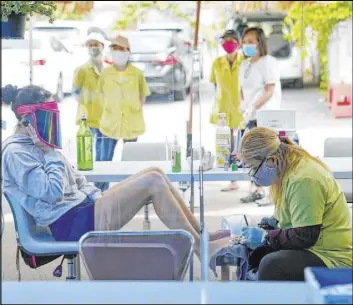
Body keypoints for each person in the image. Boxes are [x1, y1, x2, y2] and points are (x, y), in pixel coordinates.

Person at [1, 84, 225, 260]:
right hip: (69, 223)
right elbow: (51, 193)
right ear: (27, 119)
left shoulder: (38, 142)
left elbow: (78, 180)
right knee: (153, 181)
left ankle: (201, 237)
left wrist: (101, 198)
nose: (52, 121)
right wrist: (50, 154)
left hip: (84, 209)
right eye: (47, 115)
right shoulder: (18, 152)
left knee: (155, 172)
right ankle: (202, 251)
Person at [238, 127, 352, 281]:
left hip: (331, 256)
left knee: (271, 265)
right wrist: (273, 225)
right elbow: (290, 217)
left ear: (271, 160)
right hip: (311, 247)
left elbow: (305, 236)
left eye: (253, 167)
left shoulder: (303, 179)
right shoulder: (285, 169)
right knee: (252, 254)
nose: (253, 175)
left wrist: (266, 237)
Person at [97, 34, 151, 192]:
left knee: (131, 163)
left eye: (121, 49)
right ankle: (100, 195)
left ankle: (130, 193)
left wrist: (136, 107)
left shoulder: (137, 73)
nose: (117, 52)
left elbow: (143, 93)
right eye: (114, 49)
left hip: (131, 123)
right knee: (103, 164)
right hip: (109, 123)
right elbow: (100, 94)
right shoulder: (105, 73)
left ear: (128, 51)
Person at [238, 27, 282, 205]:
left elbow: (269, 90)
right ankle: (256, 189)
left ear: (260, 42)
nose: (247, 45)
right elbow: (241, 90)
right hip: (249, 115)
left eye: (251, 41)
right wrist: (243, 105)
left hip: (265, 115)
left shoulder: (268, 62)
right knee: (251, 153)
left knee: (268, 154)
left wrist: (253, 107)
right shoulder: (244, 64)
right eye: (245, 41)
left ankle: (272, 193)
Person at [210, 29, 244, 192]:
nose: (227, 44)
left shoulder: (245, 61)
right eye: (224, 41)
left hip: (241, 107)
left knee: (243, 144)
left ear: (238, 43)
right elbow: (214, 84)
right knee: (228, 145)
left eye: (231, 40)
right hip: (223, 107)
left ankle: (254, 182)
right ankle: (233, 179)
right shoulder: (217, 62)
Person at [73, 32, 108, 170]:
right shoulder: (82, 70)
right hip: (87, 118)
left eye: (96, 45)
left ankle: (102, 188)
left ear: (102, 46)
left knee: (103, 156)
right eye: (91, 45)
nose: (94, 47)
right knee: (87, 153)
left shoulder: (108, 69)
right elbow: (75, 92)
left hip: (105, 118)